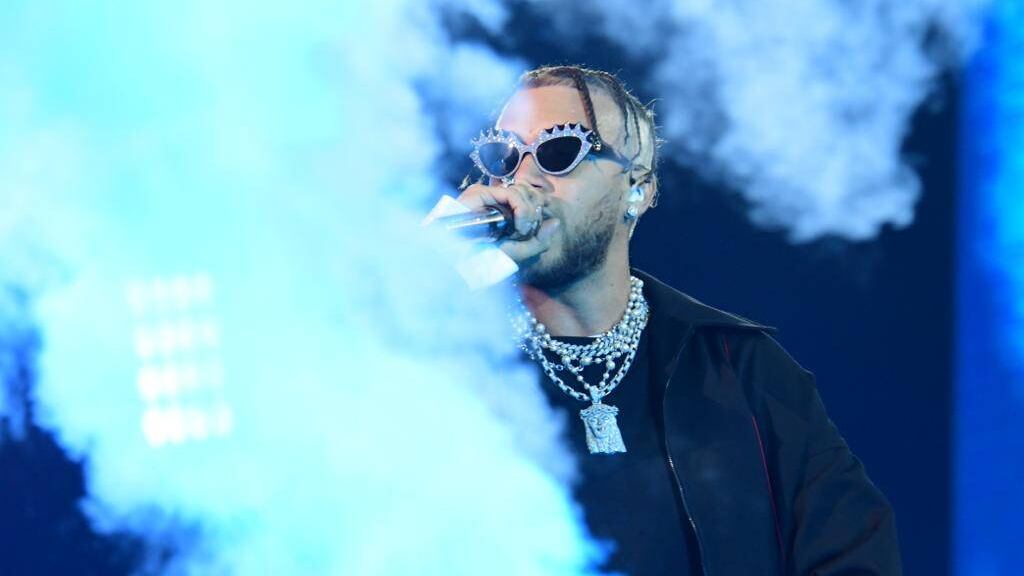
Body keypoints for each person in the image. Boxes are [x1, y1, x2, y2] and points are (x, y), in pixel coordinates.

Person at [450, 65, 902, 575]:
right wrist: (434, 258)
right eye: (504, 156)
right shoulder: (447, 358)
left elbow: (856, 553)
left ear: (637, 189)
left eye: (560, 151)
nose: (524, 179)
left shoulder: (740, 369)